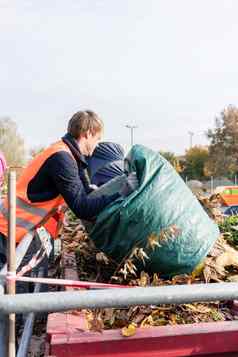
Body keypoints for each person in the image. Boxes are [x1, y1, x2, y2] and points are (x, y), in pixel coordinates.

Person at [0, 110, 138, 272]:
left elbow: (86, 192)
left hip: (16, 229)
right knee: (6, 287)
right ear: (87, 134)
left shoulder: (69, 154)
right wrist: (121, 194)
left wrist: (102, 191)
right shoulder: (62, 159)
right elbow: (82, 208)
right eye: (97, 139)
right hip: (7, 230)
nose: (97, 144)